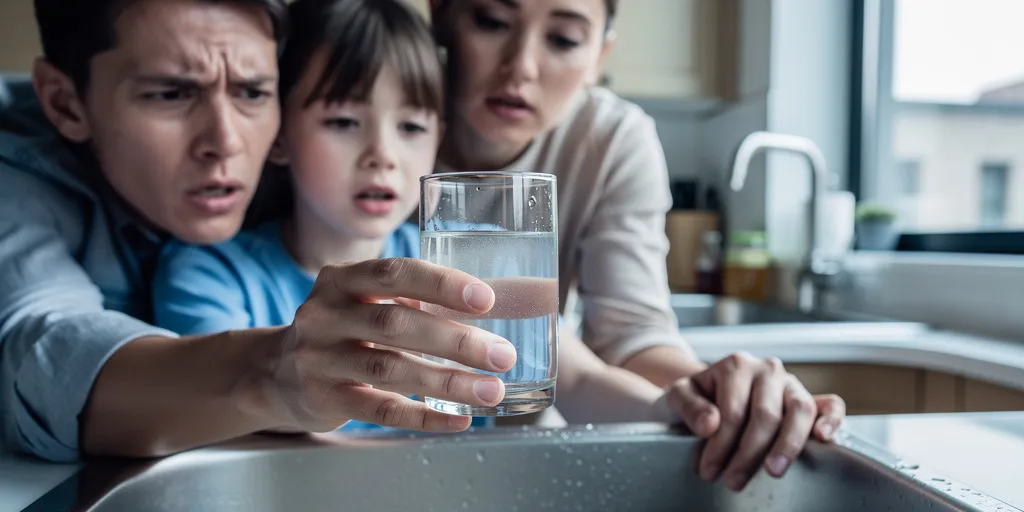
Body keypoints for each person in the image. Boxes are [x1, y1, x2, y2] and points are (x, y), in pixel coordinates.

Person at [150, 0, 718, 435]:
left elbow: (577, 378)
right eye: (344, 122)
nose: (383, 154)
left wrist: (674, 405)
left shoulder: (463, 263)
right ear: (277, 133)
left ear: (436, 141)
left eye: (412, 128)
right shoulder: (208, 276)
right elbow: (232, 420)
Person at [0, 0, 523, 463]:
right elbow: (44, 351)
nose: (226, 142)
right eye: (170, 94)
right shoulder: (18, 182)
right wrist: (275, 376)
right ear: (66, 103)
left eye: (252, 92)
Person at [429, 0, 846, 491]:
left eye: (563, 39)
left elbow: (629, 334)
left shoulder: (612, 139)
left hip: (515, 459)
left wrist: (723, 398)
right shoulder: (369, 108)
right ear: (442, 17)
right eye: (492, 22)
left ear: (600, 57)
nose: (521, 66)